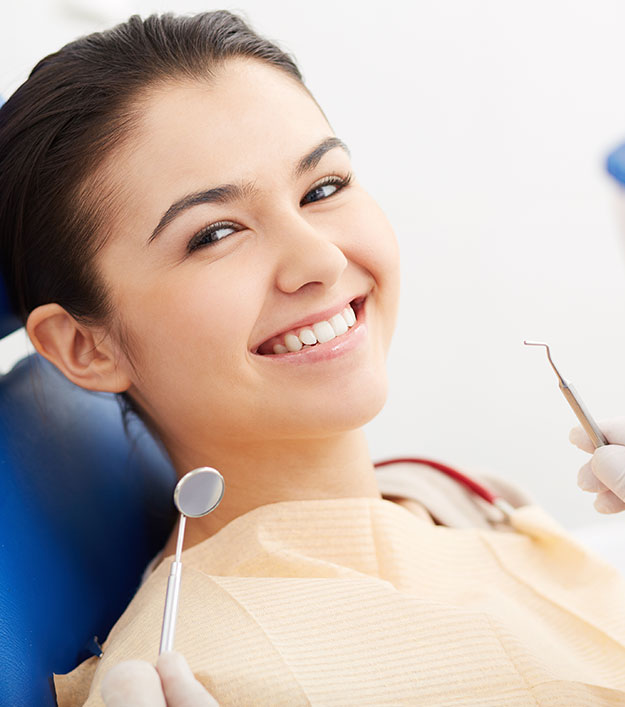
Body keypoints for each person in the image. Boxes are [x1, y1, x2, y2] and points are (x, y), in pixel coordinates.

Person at [2, 11, 625, 706]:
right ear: (86, 346)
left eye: (322, 188)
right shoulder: (212, 676)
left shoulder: (446, 495)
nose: (320, 260)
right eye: (212, 233)